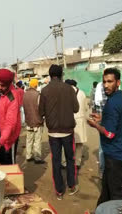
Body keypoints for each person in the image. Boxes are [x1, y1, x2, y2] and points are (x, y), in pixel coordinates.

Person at [87, 68, 122, 206]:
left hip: (114, 153)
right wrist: (102, 118)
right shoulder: (118, 98)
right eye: (104, 82)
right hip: (116, 152)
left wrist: (95, 125)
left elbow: (110, 134)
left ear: (118, 82)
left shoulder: (113, 102)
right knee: (106, 190)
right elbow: (116, 121)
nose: (106, 85)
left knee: (117, 194)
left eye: (110, 81)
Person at [39, 65, 79, 200]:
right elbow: (76, 108)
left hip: (53, 133)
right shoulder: (69, 89)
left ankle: (59, 191)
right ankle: (72, 185)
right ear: (62, 74)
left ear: (50, 75)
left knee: (56, 161)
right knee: (70, 159)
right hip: (68, 131)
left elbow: (41, 112)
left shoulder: (44, 91)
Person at [0, 69, 21, 165]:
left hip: (9, 136)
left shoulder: (13, 97)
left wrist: (1, 142)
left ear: (9, 84)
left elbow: (10, 123)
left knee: (9, 162)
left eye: (3, 86)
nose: (0, 88)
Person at [63, 79, 88, 168]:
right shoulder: (82, 93)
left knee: (66, 142)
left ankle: (65, 162)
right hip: (80, 120)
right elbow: (85, 108)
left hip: (68, 120)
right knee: (79, 143)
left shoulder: (64, 92)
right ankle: (77, 162)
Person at [23, 79, 44, 164]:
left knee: (29, 139)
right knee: (37, 140)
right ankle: (37, 157)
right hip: (37, 121)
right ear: (36, 85)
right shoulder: (38, 95)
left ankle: (28, 156)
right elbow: (41, 108)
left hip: (28, 120)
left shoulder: (25, 95)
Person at [92, 81, 108, 178]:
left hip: (100, 121)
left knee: (102, 146)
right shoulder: (112, 90)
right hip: (109, 121)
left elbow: (94, 105)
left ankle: (102, 171)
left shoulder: (98, 87)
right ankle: (106, 170)